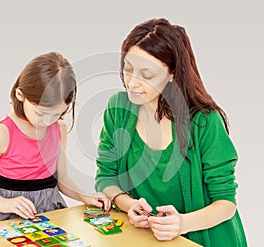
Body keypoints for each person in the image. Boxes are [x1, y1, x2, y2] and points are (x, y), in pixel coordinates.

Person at [95, 18, 247, 246]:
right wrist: (128, 204)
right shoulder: (118, 109)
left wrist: (182, 224)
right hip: (150, 240)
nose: (132, 83)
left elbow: (226, 203)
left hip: (206, 239)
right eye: (128, 69)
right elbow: (106, 176)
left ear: (172, 74)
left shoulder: (204, 121)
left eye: (146, 75)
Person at [0, 52, 110, 225]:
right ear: (20, 95)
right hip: (6, 216)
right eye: (41, 113)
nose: (47, 122)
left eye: (57, 114)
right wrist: (3, 204)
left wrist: (84, 196)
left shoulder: (59, 128)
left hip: (49, 213)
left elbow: (61, 179)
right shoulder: (3, 133)